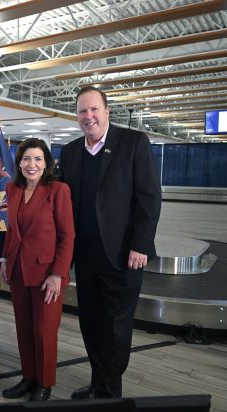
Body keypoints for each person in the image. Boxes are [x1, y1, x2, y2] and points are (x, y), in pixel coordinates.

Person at [59, 86, 161, 399]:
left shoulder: (133, 143)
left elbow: (149, 198)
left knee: (115, 328)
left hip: (122, 255)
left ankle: (109, 392)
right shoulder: (71, 152)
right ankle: (98, 381)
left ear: (107, 112)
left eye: (93, 110)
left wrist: (140, 245)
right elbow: (61, 202)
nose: (88, 117)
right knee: (90, 324)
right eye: (81, 111)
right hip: (86, 256)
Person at [0, 138, 75, 402]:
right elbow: (11, 230)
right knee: (24, 328)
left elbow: (67, 236)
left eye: (38, 159)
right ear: (19, 162)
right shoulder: (13, 189)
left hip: (47, 275)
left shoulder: (58, 190)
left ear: (47, 163)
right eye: (27, 159)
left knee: (44, 332)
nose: (32, 164)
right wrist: (5, 259)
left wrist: (57, 274)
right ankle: (28, 378)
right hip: (19, 269)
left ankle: (44, 383)